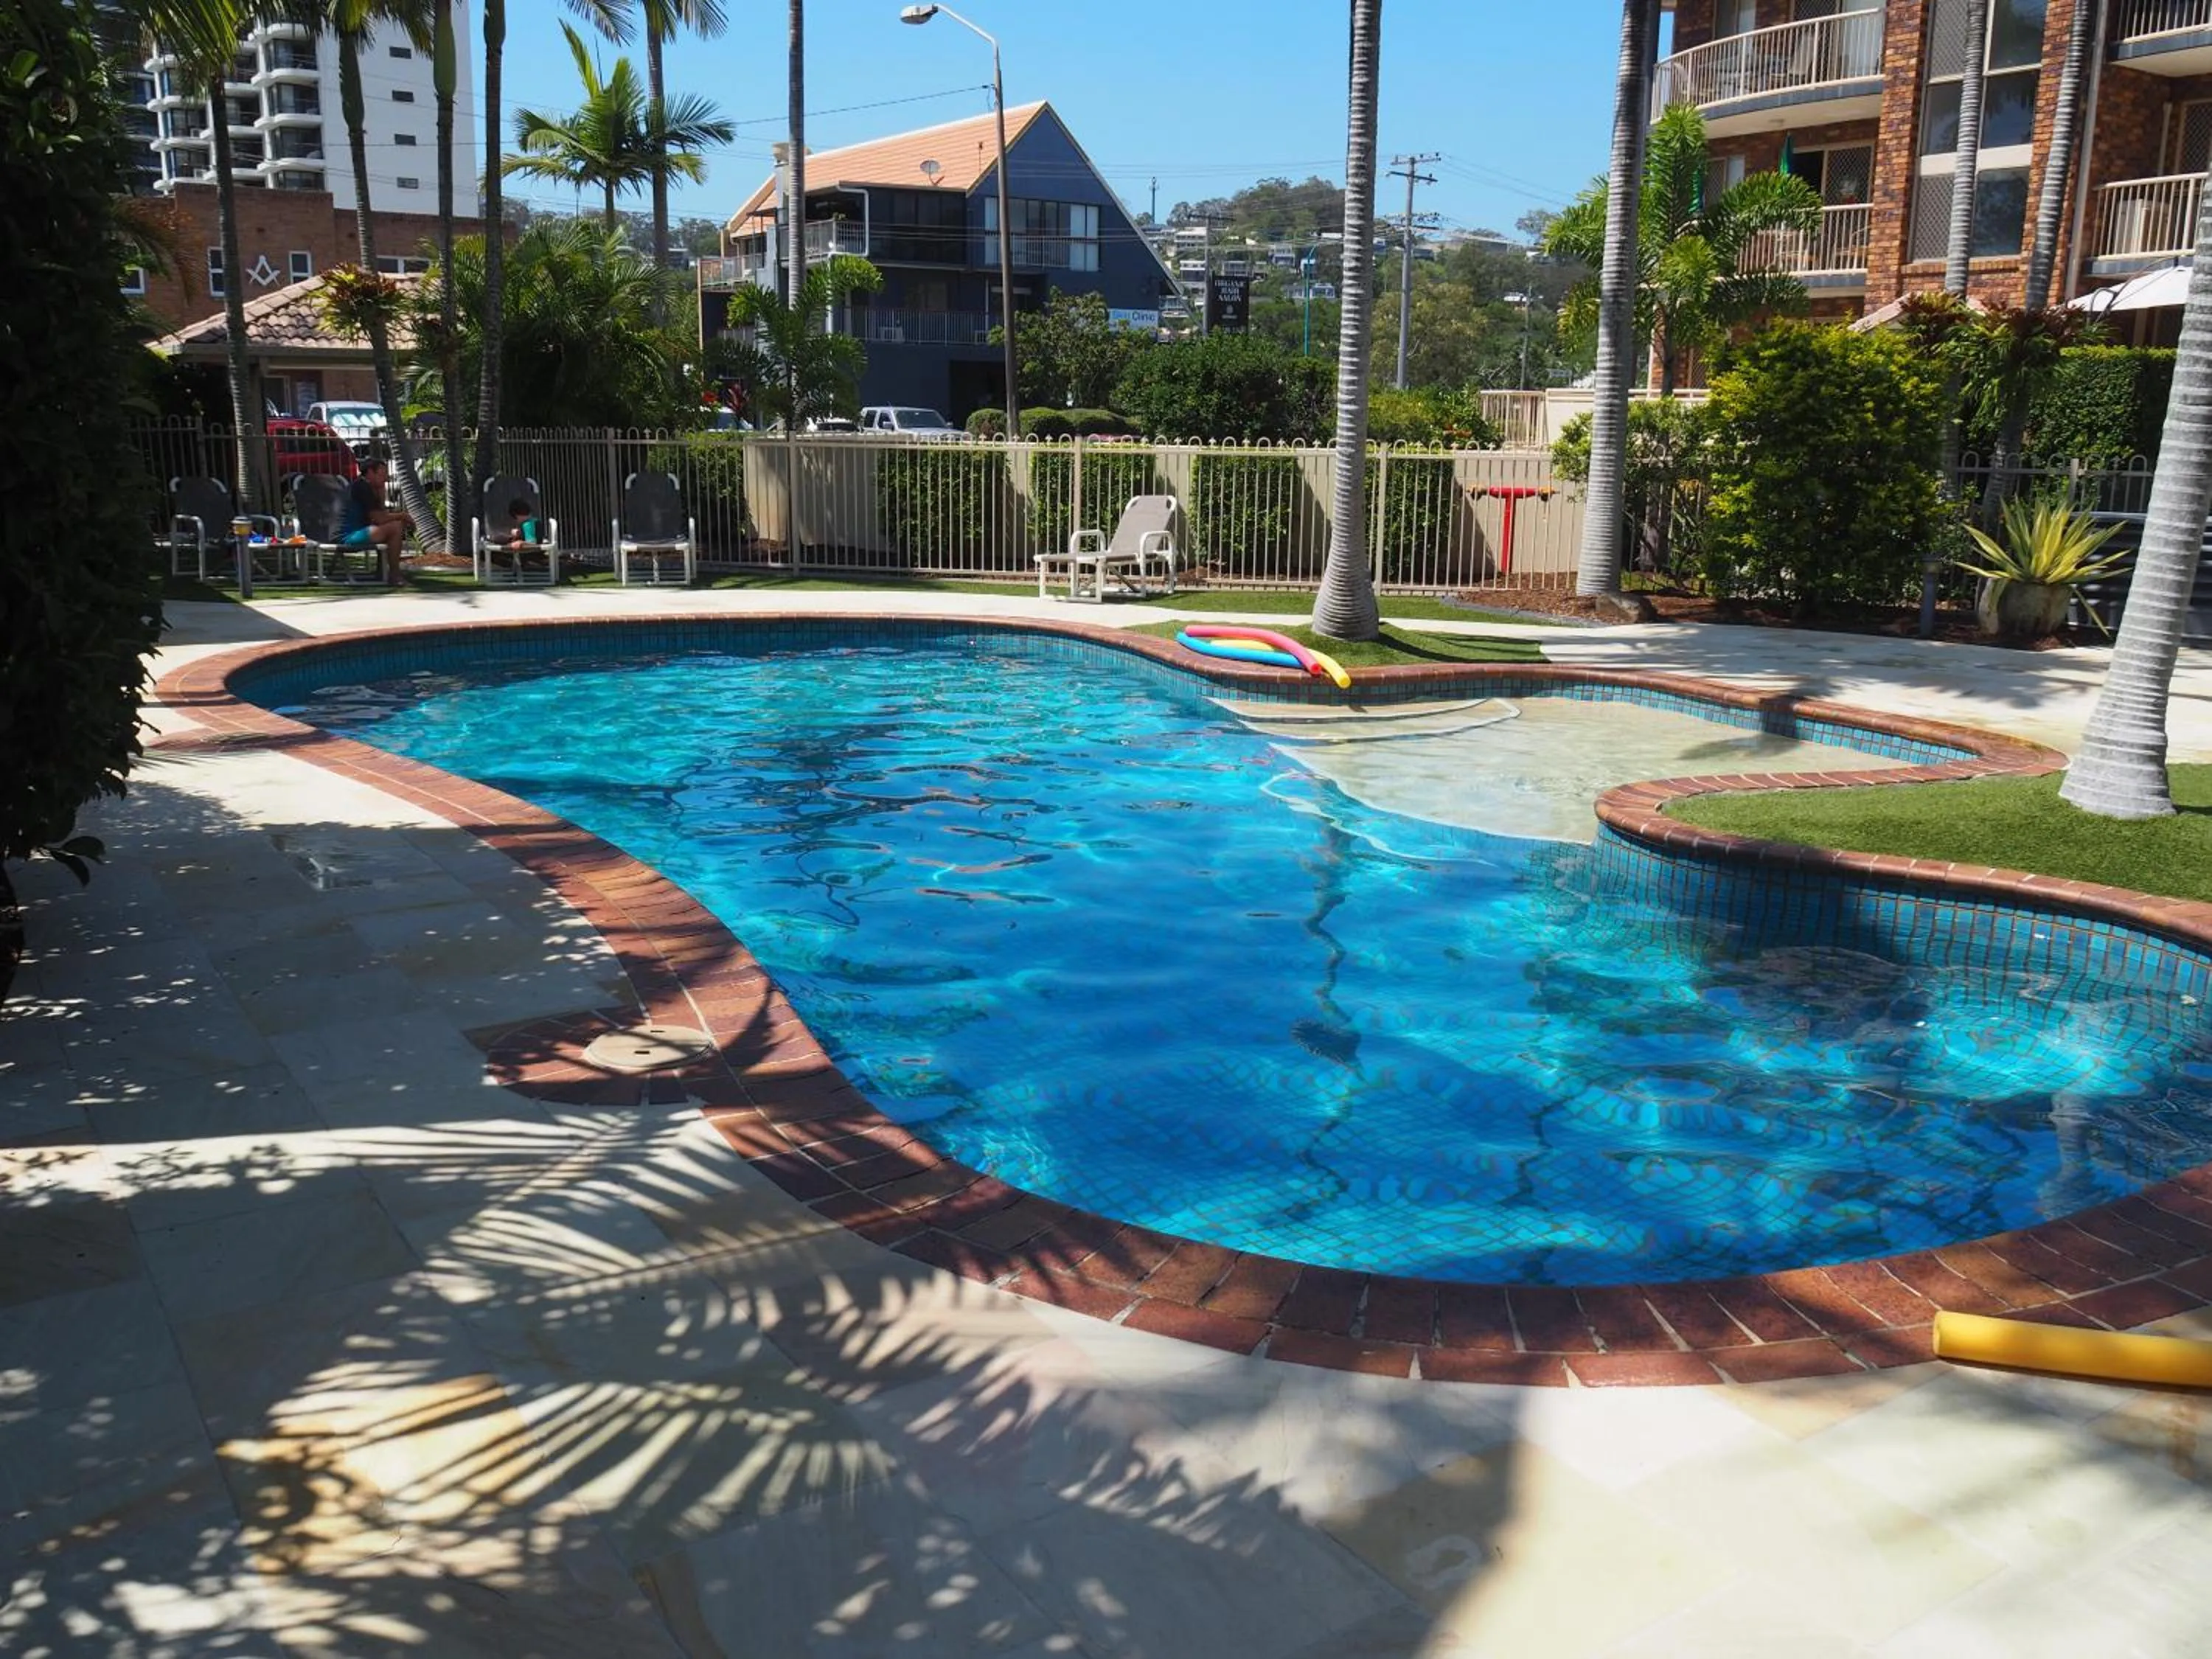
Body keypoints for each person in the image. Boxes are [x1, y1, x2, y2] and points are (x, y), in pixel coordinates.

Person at [339, 453, 411, 585]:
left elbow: (380, 515)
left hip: (360, 532)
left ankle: (383, 571)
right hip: (349, 537)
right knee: (395, 527)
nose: (386, 478)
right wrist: (403, 515)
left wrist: (381, 493)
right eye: (382, 474)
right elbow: (379, 519)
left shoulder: (369, 487)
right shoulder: (362, 487)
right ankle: (394, 575)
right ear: (370, 473)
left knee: (395, 525)